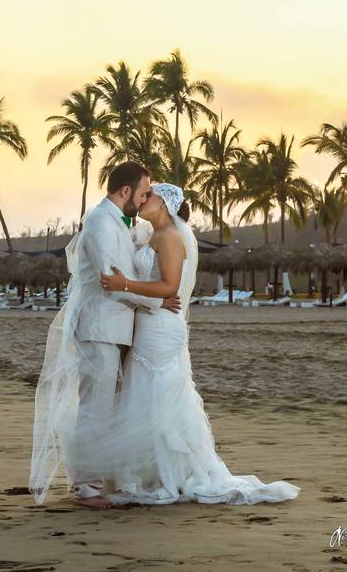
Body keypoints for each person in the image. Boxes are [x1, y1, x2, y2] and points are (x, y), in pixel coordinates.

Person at [90, 182, 301, 505]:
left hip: (161, 326)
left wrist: (124, 284)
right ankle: (149, 472)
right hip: (151, 323)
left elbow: (169, 287)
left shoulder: (171, 238)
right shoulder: (153, 236)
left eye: (151, 196)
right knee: (145, 394)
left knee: (158, 395)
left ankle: (167, 473)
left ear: (164, 205)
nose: (144, 200)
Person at [29, 162, 181, 509]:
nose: (144, 200)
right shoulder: (99, 223)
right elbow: (112, 283)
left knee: (105, 406)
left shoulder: (119, 222)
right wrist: (158, 300)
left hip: (115, 329)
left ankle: (99, 480)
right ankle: (86, 488)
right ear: (125, 191)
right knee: (94, 407)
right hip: (99, 328)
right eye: (142, 192)